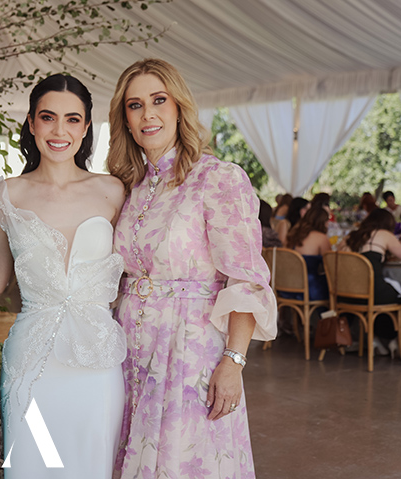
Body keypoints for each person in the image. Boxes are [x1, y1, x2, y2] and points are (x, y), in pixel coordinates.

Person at [107, 58, 276, 479]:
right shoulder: (128, 186)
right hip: (129, 351)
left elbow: (246, 278)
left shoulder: (217, 178)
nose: (147, 114)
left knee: (185, 461)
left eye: (158, 101)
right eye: (135, 105)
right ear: (125, 119)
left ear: (179, 107)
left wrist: (233, 361)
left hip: (190, 351)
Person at [0, 74, 127, 478]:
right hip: (32, 361)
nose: (59, 131)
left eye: (72, 119)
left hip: (97, 361)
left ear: (86, 128)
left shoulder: (114, 190)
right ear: (31, 123)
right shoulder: (7, 193)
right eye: (48, 117)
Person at [341, 208, 401, 356]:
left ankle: (375, 338)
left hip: (345, 294)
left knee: (391, 289)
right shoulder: (384, 235)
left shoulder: (350, 237)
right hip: (372, 292)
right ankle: (394, 339)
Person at [283, 206, 331, 301]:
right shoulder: (321, 238)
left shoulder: (292, 234)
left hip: (285, 284)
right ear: (323, 222)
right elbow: (330, 264)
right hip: (309, 288)